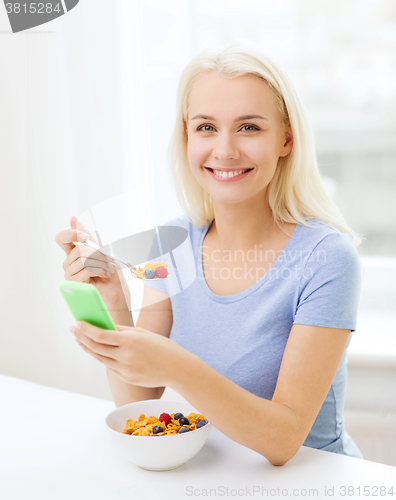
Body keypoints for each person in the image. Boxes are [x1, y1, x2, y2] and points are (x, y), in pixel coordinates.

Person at [55, 41, 364, 466]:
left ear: (286, 139)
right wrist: (113, 302)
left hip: (313, 481)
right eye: (205, 127)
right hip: (218, 471)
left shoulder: (327, 257)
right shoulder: (173, 243)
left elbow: (284, 440)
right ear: (186, 137)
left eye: (249, 127)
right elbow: (138, 402)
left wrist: (180, 369)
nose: (225, 150)